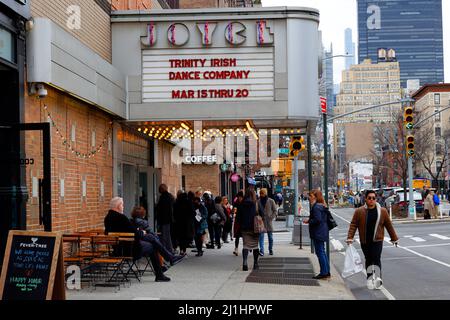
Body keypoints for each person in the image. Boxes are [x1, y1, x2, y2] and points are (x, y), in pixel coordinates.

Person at [105, 197, 171, 282]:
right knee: (153, 246)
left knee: (150, 241)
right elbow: (134, 233)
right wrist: (141, 232)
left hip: (117, 248)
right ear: (118, 206)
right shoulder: (121, 218)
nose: (123, 207)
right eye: (122, 205)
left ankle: (168, 260)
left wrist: (138, 232)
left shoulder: (108, 218)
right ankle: (160, 274)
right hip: (129, 249)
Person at [346, 190, 399, 288]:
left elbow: (388, 225)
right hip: (365, 241)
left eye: (373, 198)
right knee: (369, 260)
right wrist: (350, 237)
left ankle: (378, 279)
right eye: (369, 198)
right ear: (365, 199)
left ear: (376, 199)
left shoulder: (382, 211)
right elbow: (353, 224)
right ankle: (370, 279)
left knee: (376, 258)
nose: (371, 200)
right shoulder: (359, 211)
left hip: (377, 240)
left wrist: (394, 238)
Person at [305, 189, 330, 280]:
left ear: (315, 197)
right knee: (322, 252)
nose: (309, 198)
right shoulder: (321, 205)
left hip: (318, 232)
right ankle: (326, 272)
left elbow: (317, 219)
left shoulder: (316, 207)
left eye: (310, 196)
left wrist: (309, 221)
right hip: (322, 231)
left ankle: (323, 272)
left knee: (320, 252)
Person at [235, 189, 261, 271]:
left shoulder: (241, 204)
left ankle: (245, 262)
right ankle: (255, 264)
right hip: (255, 228)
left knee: (246, 245)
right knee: (255, 246)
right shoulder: (256, 203)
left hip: (244, 228)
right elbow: (263, 214)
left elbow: (238, 218)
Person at [173, 191, 195, 255]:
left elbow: (174, 212)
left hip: (178, 222)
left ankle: (181, 250)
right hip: (186, 222)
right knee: (185, 237)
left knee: (180, 237)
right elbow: (192, 212)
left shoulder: (177, 202)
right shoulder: (188, 202)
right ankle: (184, 250)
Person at [257, 188, 277, 256]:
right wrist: (259, 217)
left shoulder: (271, 201)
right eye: (260, 193)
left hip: (269, 222)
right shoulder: (258, 201)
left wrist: (271, 217)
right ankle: (261, 250)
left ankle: (270, 249)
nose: (261, 195)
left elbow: (275, 211)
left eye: (262, 193)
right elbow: (256, 211)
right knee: (261, 237)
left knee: (270, 237)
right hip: (261, 222)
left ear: (265, 193)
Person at [156, 184, 175, 253]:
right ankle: (169, 250)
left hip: (164, 219)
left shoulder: (163, 197)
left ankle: (166, 251)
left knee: (164, 235)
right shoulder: (170, 196)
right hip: (169, 219)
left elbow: (160, 209)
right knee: (167, 235)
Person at [232, 191, 244, 256]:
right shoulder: (236, 202)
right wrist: (233, 212)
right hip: (237, 220)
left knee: (245, 235)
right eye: (238, 197)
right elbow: (233, 210)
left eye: (240, 197)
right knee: (237, 236)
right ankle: (236, 248)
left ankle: (247, 247)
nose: (239, 198)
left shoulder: (245, 202)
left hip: (243, 221)